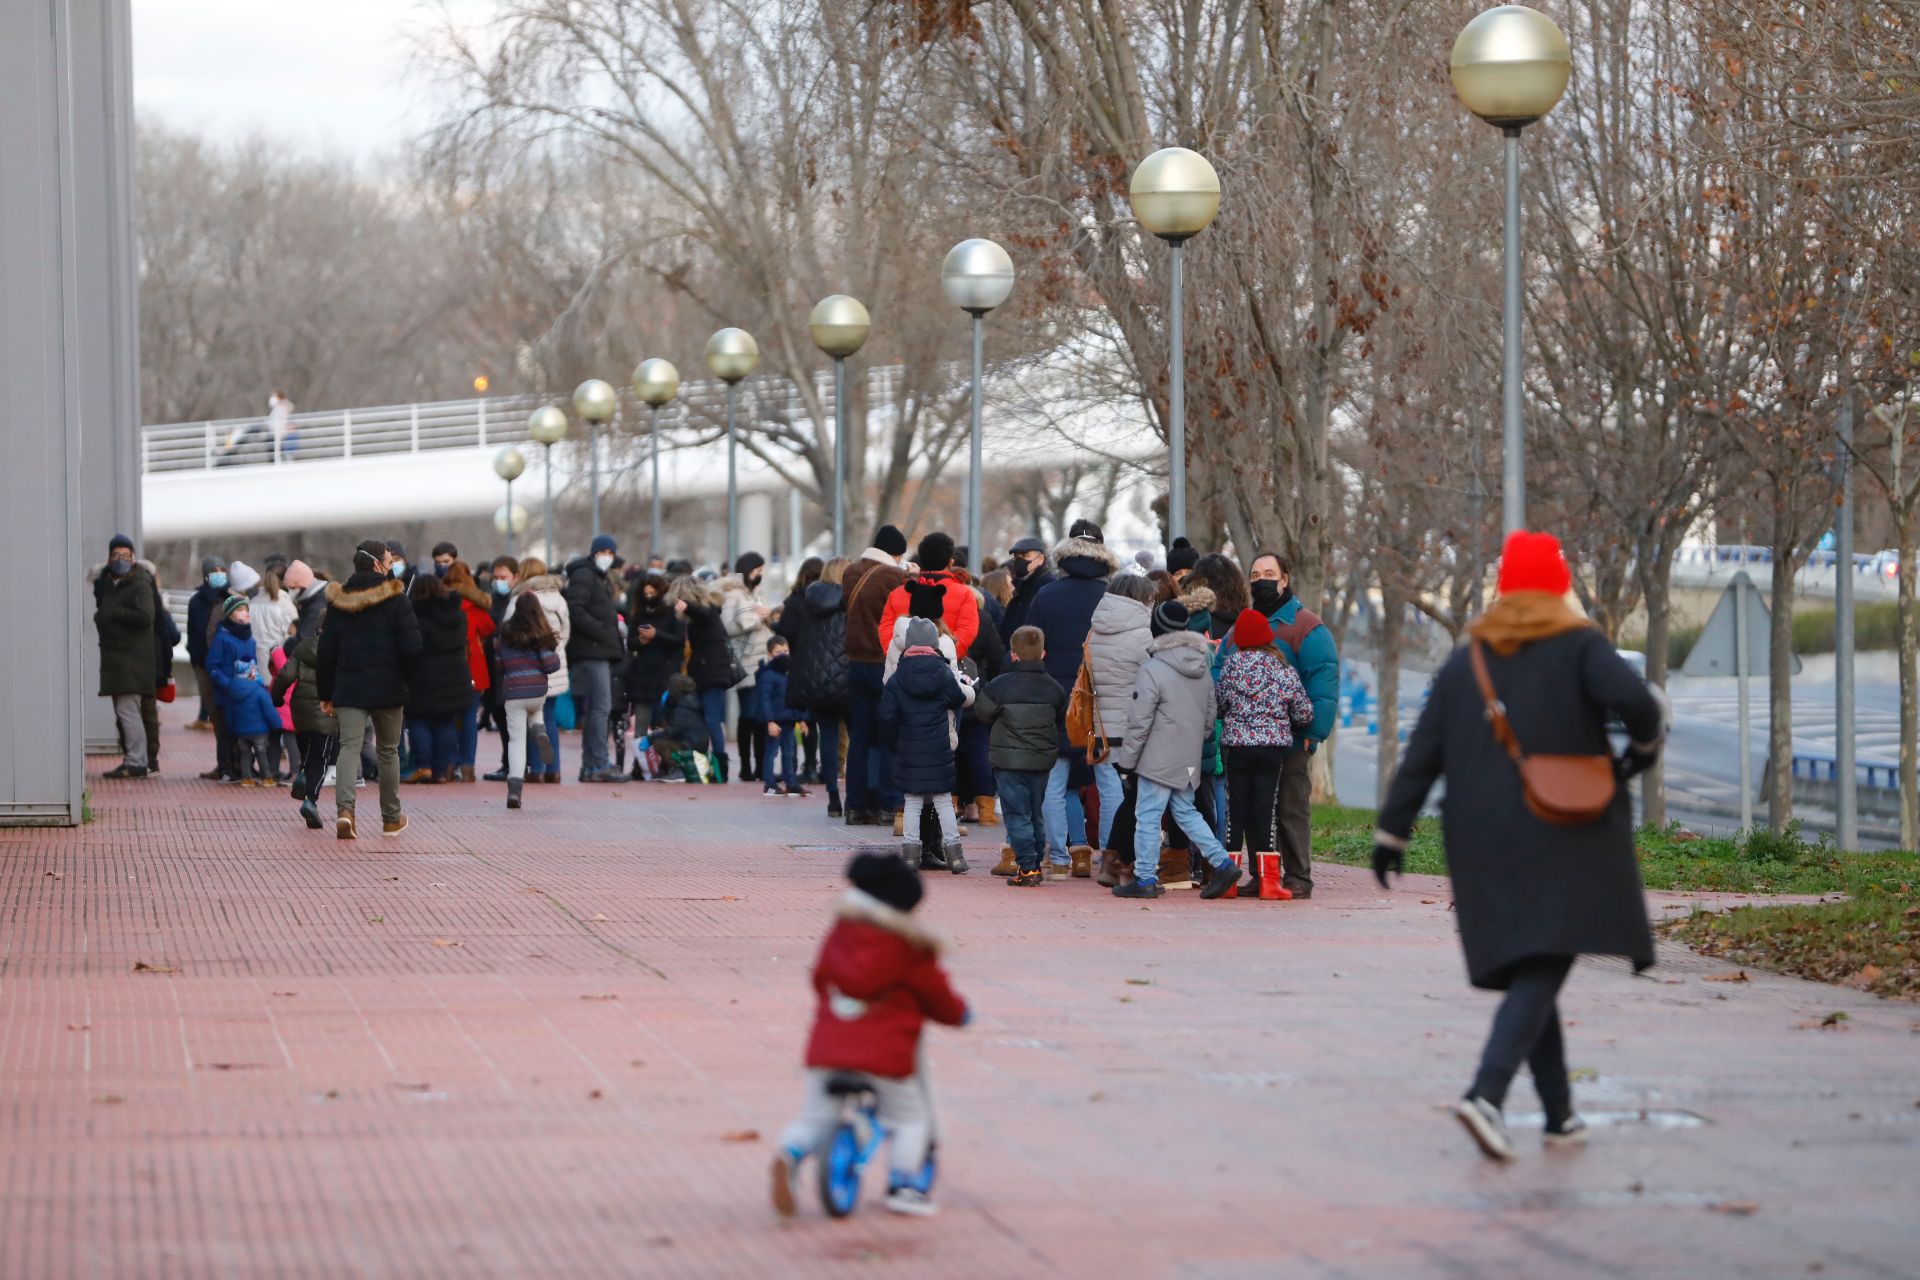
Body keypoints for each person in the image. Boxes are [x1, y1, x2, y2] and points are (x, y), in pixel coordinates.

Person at [1374, 530, 1665, 1162]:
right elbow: (1641, 706)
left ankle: (1561, 1117)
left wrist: (1391, 831)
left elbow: (1424, 751)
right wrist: (1634, 758)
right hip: (1564, 826)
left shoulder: (1468, 657)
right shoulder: (1580, 646)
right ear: (1560, 584)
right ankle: (1487, 1094)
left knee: (1532, 959)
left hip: (1478, 836)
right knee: (1546, 957)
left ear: (1503, 585)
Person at [771, 852, 969, 1220]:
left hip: (827, 1048)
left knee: (815, 1117)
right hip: (886, 1056)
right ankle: (905, 1186)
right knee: (911, 1118)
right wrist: (960, 1015)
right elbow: (938, 996)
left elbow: (819, 980)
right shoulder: (910, 947)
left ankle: (791, 1153)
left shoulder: (840, 934)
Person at [1109, 600, 1242, 900]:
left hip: (1158, 755)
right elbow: (1210, 718)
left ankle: (1144, 878)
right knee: (1185, 810)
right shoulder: (1202, 666)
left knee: (1147, 814)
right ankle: (1222, 863)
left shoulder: (1153, 668)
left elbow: (1139, 721)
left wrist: (1128, 762)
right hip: (1189, 755)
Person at [1225, 551, 1339, 899]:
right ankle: (1262, 877)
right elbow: (1219, 668)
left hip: (1291, 740)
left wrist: (1311, 733)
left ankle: (1298, 877)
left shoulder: (1307, 626)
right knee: (1255, 812)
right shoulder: (1241, 626)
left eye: (1269, 573)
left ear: (1285, 578)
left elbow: (1322, 683)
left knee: (1290, 807)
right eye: (1256, 574)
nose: (1263, 580)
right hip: (1253, 740)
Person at [1024, 522, 1119, 877]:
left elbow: (1031, 645)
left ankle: (1060, 858)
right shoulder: (1113, 598)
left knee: (1055, 778)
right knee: (1108, 778)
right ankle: (1110, 854)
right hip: (1104, 699)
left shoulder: (1046, 595)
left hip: (1058, 698)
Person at [318, 539, 423, 839]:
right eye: (389, 562)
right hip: (388, 687)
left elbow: (326, 652)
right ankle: (391, 818)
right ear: (377, 564)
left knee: (349, 747)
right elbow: (413, 647)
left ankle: (345, 813)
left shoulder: (338, 602)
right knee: (388, 751)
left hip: (349, 687)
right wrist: (405, 676)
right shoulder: (397, 599)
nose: (392, 567)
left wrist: (326, 693)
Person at [1215, 608, 1316, 899]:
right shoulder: (1282, 670)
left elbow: (1220, 705)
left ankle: (1230, 881)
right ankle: (1269, 881)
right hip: (1271, 750)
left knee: (1235, 812)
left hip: (1236, 747)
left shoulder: (1231, 667)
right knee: (1265, 811)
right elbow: (1304, 712)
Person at [973, 626, 1068, 886]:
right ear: (1043, 654)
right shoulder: (1054, 688)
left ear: (1013, 655)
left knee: (1017, 813)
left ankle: (1027, 866)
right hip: (1041, 759)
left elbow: (982, 713)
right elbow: (1061, 717)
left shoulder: (999, 687)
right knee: (1035, 811)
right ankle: (1035, 862)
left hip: (1008, 760)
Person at [879, 617, 974, 874]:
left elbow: (886, 715)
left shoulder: (899, 675)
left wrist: (895, 742)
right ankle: (954, 854)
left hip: (909, 747)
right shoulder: (942, 672)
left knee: (912, 801)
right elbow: (957, 697)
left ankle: (910, 854)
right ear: (934, 643)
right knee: (943, 800)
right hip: (938, 746)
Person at [1083, 575, 1155, 883]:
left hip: (1105, 731)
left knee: (1132, 795)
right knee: (1139, 798)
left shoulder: (1096, 631)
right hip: (1136, 730)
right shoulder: (1143, 635)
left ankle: (1113, 859)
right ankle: (1119, 861)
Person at [840, 525, 911, 826]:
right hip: (884, 663)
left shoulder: (851, 571)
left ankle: (855, 805)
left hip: (855, 663)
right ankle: (888, 803)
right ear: (897, 554)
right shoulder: (896, 577)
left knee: (859, 737)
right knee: (888, 736)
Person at [781, 557, 851, 817]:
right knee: (856, 737)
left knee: (828, 736)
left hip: (817, 679)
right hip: (846, 677)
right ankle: (855, 795)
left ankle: (833, 797)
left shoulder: (810, 600)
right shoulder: (849, 599)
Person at [94, 534, 156, 779]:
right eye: (116, 556)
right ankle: (134, 758)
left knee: (128, 712)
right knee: (125, 712)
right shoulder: (110, 584)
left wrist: (113, 612)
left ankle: (136, 760)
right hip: (118, 659)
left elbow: (145, 617)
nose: (120, 560)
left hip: (132, 661)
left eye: (125, 556)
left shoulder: (140, 585)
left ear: (133, 558)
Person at [404, 574, 474, 784]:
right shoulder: (457, 614)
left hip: (422, 675)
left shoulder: (415, 616)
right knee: (445, 722)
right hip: (454, 673)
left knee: (418, 720)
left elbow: (412, 647)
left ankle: (423, 765)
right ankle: (441, 769)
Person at [494, 593, 562, 810]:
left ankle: (515, 789)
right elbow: (551, 666)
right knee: (536, 709)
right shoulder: (540, 634)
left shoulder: (505, 633)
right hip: (536, 691)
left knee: (516, 741)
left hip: (513, 691)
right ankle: (539, 729)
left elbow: (499, 664)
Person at [506, 557, 571, 783]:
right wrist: (557, 649)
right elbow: (566, 630)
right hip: (554, 662)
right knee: (549, 717)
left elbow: (507, 631)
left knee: (530, 719)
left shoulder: (519, 598)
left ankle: (536, 768)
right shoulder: (558, 597)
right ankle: (554, 769)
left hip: (526, 668)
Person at [565, 534, 624, 782]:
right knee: (600, 708)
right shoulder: (585, 575)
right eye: (604, 552)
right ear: (594, 553)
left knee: (596, 710)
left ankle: (591, 765)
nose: (607, 557)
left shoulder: (596, 577)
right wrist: (601, 631)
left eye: (611, 553)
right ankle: (598, 763)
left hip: (596, 650)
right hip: (591, 650)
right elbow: (575, 609)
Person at [273, 608, 337, 830]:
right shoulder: (342, 650)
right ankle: (311, 801)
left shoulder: (303, 646)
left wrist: (277, 697)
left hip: (300, 710)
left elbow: (286, 674)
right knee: (321, 759)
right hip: (327, 710)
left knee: (307, 749)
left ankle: (301, 776)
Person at [720, 552, 776, 783]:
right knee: (749, 714)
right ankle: (745, 765)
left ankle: (762, 766)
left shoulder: (756, 593)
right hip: (745, 661)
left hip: (764, 660)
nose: (759, 576)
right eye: (757, 571)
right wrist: (756, 618)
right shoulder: (732, 593)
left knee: (762, 715)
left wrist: (768, 616)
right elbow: (727, 626)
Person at [623, 572, 683, 774]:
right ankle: (641, 764)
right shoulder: (639, 613)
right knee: (641, 721)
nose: (649, 596)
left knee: (665, 720)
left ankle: (668, 762)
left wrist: (656, 635)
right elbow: (631, 641)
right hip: (642, 673)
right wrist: (641, 641)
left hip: (665, 673)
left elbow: (679, 640)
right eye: (646, 593)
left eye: (653, 592)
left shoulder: (672, 612)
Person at [442, 561, 496, 782]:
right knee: (469, 717)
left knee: (447, 719)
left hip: (447, 669)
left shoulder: (440, 603)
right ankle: (468, 767)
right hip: (473, 668)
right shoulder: (475, 604)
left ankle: (449, 764)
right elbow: (489, 628)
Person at [207, 596, 268, 784]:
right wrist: (228, 684)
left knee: (244, 733)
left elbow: (252, 665)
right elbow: (213, 666)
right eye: (240, 610)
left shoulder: (249, 639)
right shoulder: (222, 637)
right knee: (226, 734)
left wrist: (256, 684)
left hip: (246, 695)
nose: (245, 613)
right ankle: (225, 769)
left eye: (246, 609)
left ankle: (246, 768)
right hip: (227, 695)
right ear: (231, 615)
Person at [187, 557, 235, 775]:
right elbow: (193, 633)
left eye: (222, 570)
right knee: (216, 714)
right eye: (214, 571)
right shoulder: (197, 602)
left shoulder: (232, 598)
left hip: (229, 666)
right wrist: (197, 659)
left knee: (231, 714)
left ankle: (234, 763)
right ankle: (224, 764)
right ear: (206, 575)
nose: (219, 574)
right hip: (205, 665)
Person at [249, 569, 299, 780]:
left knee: (270, 727)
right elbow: (294, 631)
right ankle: (295, 771)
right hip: (281, 664)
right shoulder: (285, 604)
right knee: (288, 730)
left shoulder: (253, 604)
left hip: (260, 668)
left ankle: (269, 769)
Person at [757, 636, 806, 797]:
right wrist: (770, 721)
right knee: (771, 752)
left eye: (785, 651)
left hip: (789, 719)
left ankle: (790, 783)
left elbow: (796, 697)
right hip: (775, 721)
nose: (784, 654)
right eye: (779, 652)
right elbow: (764, 700)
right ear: (770, 654)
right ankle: (769, 784)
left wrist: (802, 719)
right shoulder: (767, 674)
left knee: (789, 752)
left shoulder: (790, 673)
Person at [998, 535, 1052, 642]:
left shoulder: (1048, 587)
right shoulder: (1021, 587)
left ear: (1040, 559)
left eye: (1025, 555)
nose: (1019, 561)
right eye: (1017, 557)